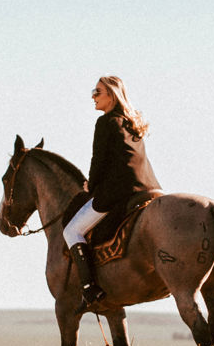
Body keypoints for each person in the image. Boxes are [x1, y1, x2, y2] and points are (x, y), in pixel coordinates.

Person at [63, 75, 160, 305]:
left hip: (120, 191)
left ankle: (89, 288)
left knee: (72, 231)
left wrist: (90, 186)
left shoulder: (105, 122)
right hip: (150, 187)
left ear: (112, 95)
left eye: (97, 92)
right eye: (93, 92)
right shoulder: (132, 122)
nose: (93, 97)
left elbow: (98, 161)